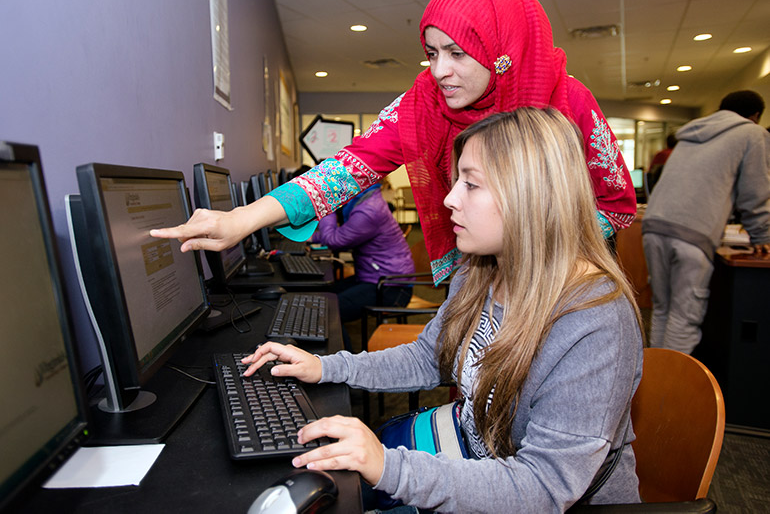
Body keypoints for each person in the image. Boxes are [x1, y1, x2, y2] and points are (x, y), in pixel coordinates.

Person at [240, 108, 644, 512]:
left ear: (531, 194)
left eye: (471, 184)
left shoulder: (595, 321)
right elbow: (429, 357)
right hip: (477, 455)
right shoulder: (482, 269)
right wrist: (326, 367)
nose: (449, 199)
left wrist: (390, 469)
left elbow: (544, 486)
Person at [150, 0, 635, 286]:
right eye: (432, 52)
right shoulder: (422, 102)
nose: (440, 70)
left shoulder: (567, 101)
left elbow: (614, 205)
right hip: (480, 278)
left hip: (563, 280)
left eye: (458, 53)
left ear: (501, 51)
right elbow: (344, 171)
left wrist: (538, 245)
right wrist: (241, 219)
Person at [642, 90, 770, 354]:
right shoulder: (753, 134)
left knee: (662, 310)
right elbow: (755, 194)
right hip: (692, 233)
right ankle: (672, 392)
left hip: (653, 226)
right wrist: (762, 238)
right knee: (683, 318)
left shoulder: (690, 135)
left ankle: (656, 384)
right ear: (755, 116)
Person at [311, 181, 415, 349]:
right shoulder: (364, 200)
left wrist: (326, 206)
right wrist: (312, 239)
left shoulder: (368, 211)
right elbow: (344, 234)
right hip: (375, 277)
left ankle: (345, 369)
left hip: (392, 288)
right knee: (323, 296)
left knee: (330, 310)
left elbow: (335, 241)